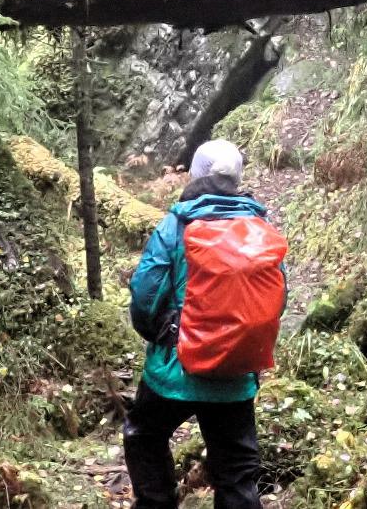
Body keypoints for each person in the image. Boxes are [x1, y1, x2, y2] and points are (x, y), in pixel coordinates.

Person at [125, 139, 284, 509]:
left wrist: (161, 335)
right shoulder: (260, 226)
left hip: (176, 368)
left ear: (195, 176)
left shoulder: (177, 223)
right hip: (236, 373)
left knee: (144, 434)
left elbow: (146, 291)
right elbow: (278, 296)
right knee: (238, 471)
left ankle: (157, 503)